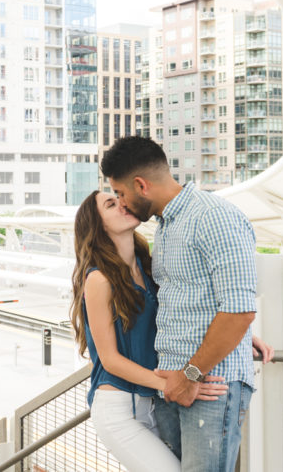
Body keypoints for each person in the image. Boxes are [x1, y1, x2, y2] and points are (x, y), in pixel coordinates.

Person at [101, 135, 269, 471]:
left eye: (120, 193)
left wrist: (191, 374)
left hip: (210, 385)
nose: (121, 203)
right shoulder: (166, 226)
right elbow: (192, 303)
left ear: (141, 185)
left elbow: (239, 310)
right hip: (172, 386)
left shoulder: (213, 217)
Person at [71, 190, 228, 471]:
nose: (122, 204)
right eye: (110, 204)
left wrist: (239, 333)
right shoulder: (98, 279)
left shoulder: (148, 268)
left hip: (154, 404)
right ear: (97, 225)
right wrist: (176, 384)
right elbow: (109, 359)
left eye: (120, 198)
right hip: (118, 409)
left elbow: (186, 314)